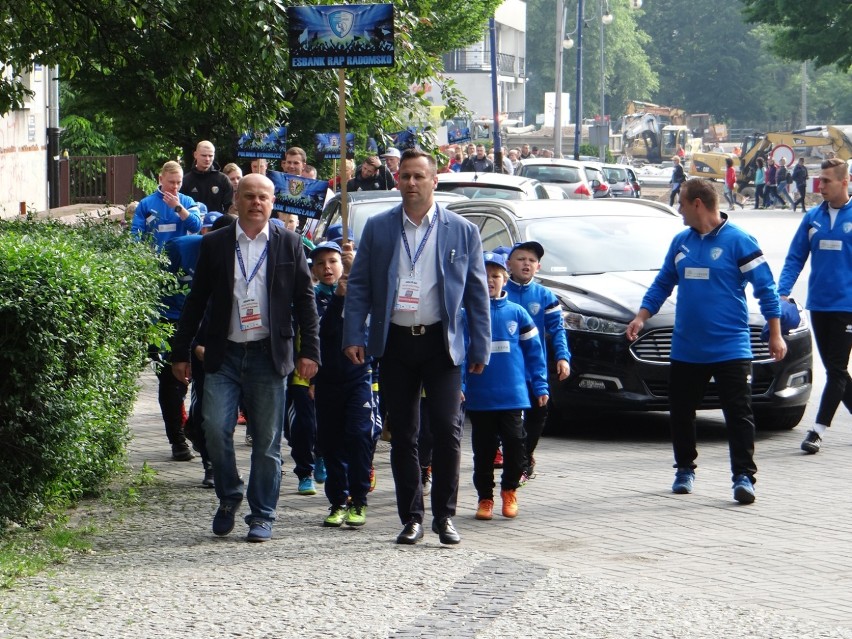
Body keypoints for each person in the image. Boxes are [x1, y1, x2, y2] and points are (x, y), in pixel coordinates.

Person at [342, 148, 491, 545]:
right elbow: (358, 286)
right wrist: (353, 334)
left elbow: (477, 294)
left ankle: (445, 516)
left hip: (442, 345)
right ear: (397, 180)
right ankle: (412, 517)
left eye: (418, 177)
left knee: (446, 428)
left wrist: (481, 346)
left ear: (434, 180)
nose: (411, 183)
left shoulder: (462, 230)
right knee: (404, 432)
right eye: (405, 176)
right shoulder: (378, 227)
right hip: (395, 344)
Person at [170, 173, 320, 542]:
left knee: (267, 441)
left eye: (263, 197)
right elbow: (197, 301)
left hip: (269, 356)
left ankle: (262, 513)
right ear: (236, 199)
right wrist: (181, 350)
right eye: (249, 196)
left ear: (273, 202)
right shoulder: (218, 243)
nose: (255, 202)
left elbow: (305, 301)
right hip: (225, 354)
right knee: (215, 430)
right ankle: (229, 495)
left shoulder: (289, 243)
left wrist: (310, 351)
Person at [625, 178, 787, 504]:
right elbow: (662, 284)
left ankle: (743, 477)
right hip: (687, 347)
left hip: (731, 346)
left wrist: (775, 331)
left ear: (697, 203)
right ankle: (684, 469)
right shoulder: (681, 243)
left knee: (738, 413)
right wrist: (642, 317)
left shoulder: (739, 241)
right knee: (682, 411)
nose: (679, 210)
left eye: (681, 203)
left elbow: (766, 288)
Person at [466, 251, 548, 521]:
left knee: (515, 445)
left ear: (505, 279)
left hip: (513, 395)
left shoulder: (518, 312)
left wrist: (541, 385)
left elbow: (534, 353)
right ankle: (485, 498)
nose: (490, 280)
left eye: (496, 276)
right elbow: (459, 354)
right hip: (481, 396)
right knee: (484, 451)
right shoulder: (467, 314)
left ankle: (510, 490)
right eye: (484, 276)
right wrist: (462, 385)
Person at [778, 158, 852, 454]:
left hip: (847, 306)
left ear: (845, 182)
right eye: (819, 180)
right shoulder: (813, 218)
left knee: (835, 370)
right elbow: (795, 257)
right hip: (819, 305)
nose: (819, 186)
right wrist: (782, 293)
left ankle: (817, 430)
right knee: (837, 371)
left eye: (826, 181)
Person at [131, 161, 203, 461]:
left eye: (178, 182)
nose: (174, 187)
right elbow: (135, 240)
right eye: (170, 182)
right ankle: (177, 438)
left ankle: (196, 430)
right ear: (160, 179)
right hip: (162, 302)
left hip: (191, 310)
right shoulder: (146, 205)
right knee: (168, 378)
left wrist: (179, 208)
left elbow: (197, 225)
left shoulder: (188, 203)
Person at [309, 241, 375, 528]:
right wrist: (337, 298)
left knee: (360, 436)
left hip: (359, 377)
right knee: (331, 443)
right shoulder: (311, 299)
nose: (327, 267)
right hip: (326, 380)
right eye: (321, 262)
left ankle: (359, 499)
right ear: (313, 269)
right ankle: (338, 501)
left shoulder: (361, 294)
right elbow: (321, 334)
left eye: (333, 261)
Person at [504, 241, 571, 479]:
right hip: (505, 370)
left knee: (538, 414)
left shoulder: (544, 295)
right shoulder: (499, 292)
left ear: (538, 267)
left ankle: (525, 455)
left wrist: (562, 357)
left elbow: (557, 329)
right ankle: (516, 461)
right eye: (521, 259)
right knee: (508, 422)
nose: (526, 264)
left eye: (532, 261)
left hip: (534, 369)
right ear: (508, 264)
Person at [180, 140, 233, 214]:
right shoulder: (186, 180)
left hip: (218, 224)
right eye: (204, 155)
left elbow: (230, 207)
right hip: (193, 224)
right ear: (195, 155)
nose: (207, 159)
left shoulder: (223, 180)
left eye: (210, 156)